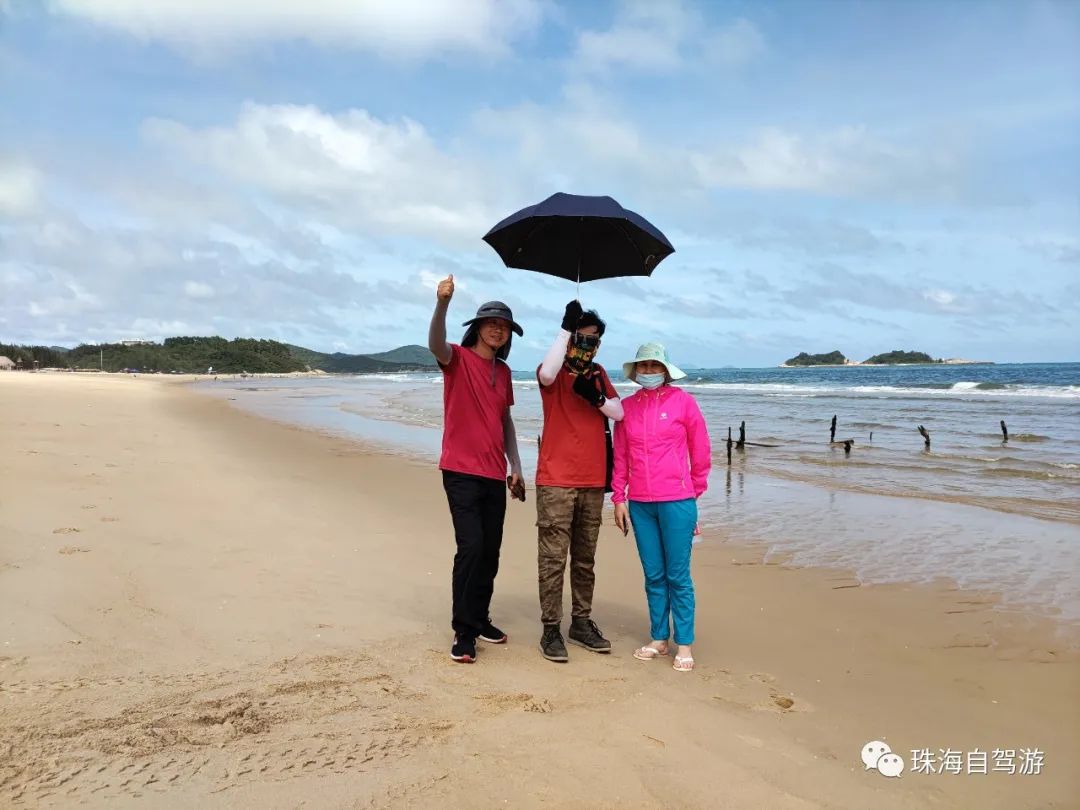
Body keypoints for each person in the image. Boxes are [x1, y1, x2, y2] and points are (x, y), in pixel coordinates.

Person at [428, 274, 526, 664]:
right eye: (491, 323)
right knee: (471, 547)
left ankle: (480, 617)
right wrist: (442, 302)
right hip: (459, 470)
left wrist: (516, 465)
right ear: (478, 328)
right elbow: (434, 342)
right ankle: (463, 631)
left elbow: (504, 421)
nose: (497, 329)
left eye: (503, 326)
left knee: (491, 552)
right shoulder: (456, 358)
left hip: (492, 474)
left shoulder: (503, 374)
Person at [611, 343, 711, 673]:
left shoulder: (684, 403)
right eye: (645, 367)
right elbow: (621, 458)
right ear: (636, 372)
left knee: (678, 576)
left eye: (656, 366)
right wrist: (619, 498)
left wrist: (692, 493)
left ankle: (684, 644)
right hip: (640, 504)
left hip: (678, 502)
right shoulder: (627, 409)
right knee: (653, 575)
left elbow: (701, 451)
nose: (650, 372)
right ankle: (658, 639)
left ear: (666, 371)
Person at [534, 301, 624, 662]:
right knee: (553, 558)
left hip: (591, 481)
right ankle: (551, 628)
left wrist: (596, 396)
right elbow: (546, 374)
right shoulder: (555, 372)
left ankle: (581, 622)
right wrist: (563, 327)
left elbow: (619, 412)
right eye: (580, 337)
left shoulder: (598, 373)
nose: (587, 344)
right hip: (556, 479)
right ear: (570, 337)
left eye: (593, 339)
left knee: (585, 559)